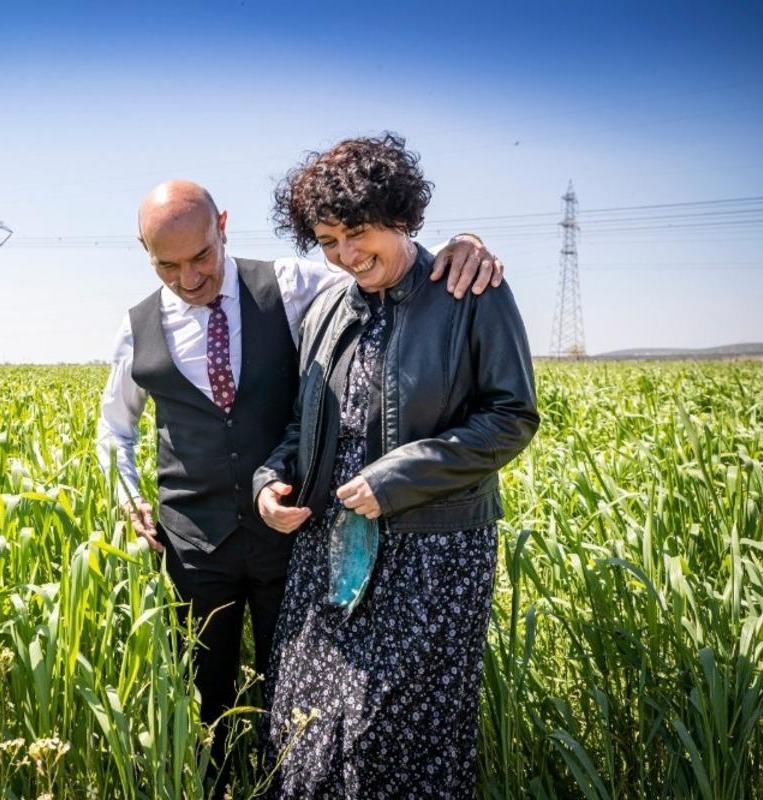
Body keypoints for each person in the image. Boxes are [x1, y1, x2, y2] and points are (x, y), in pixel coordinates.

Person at [95, 179, 503, 778]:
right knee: (205, 688)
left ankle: (278, 786)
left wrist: (463, 243)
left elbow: (386, 268)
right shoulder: (135, 330)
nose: (188, 278)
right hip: (193, 543)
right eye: (167, 265)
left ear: (224, 225)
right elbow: (116, 431)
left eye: (201, 257)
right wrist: (128, 499)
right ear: (143, 250)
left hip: (290, 537)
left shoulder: (289, 286)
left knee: (291, 690)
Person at [252, 134, 539, 798]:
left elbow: (511, 415)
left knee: (399, 731)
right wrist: (270, 482)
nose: (346, 254)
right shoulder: (326, 309)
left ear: (401, 215)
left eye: (358, 233)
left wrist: (394, 479)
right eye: (327, 241)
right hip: (328, 550)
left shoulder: (471, 291)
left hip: (433, 555)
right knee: (313, 726)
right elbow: (304, 424)